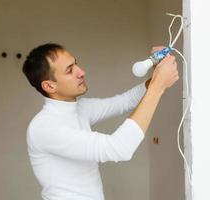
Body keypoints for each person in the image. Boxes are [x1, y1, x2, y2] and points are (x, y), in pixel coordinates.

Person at [22, 43, 178, 200]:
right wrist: (158, 86)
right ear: (49, 86)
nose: (82, 72)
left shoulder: (80, 108)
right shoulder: (45, 127)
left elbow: (124, 101)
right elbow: (119, 148)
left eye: (76, 64)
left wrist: (158, 73)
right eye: (70, 70)